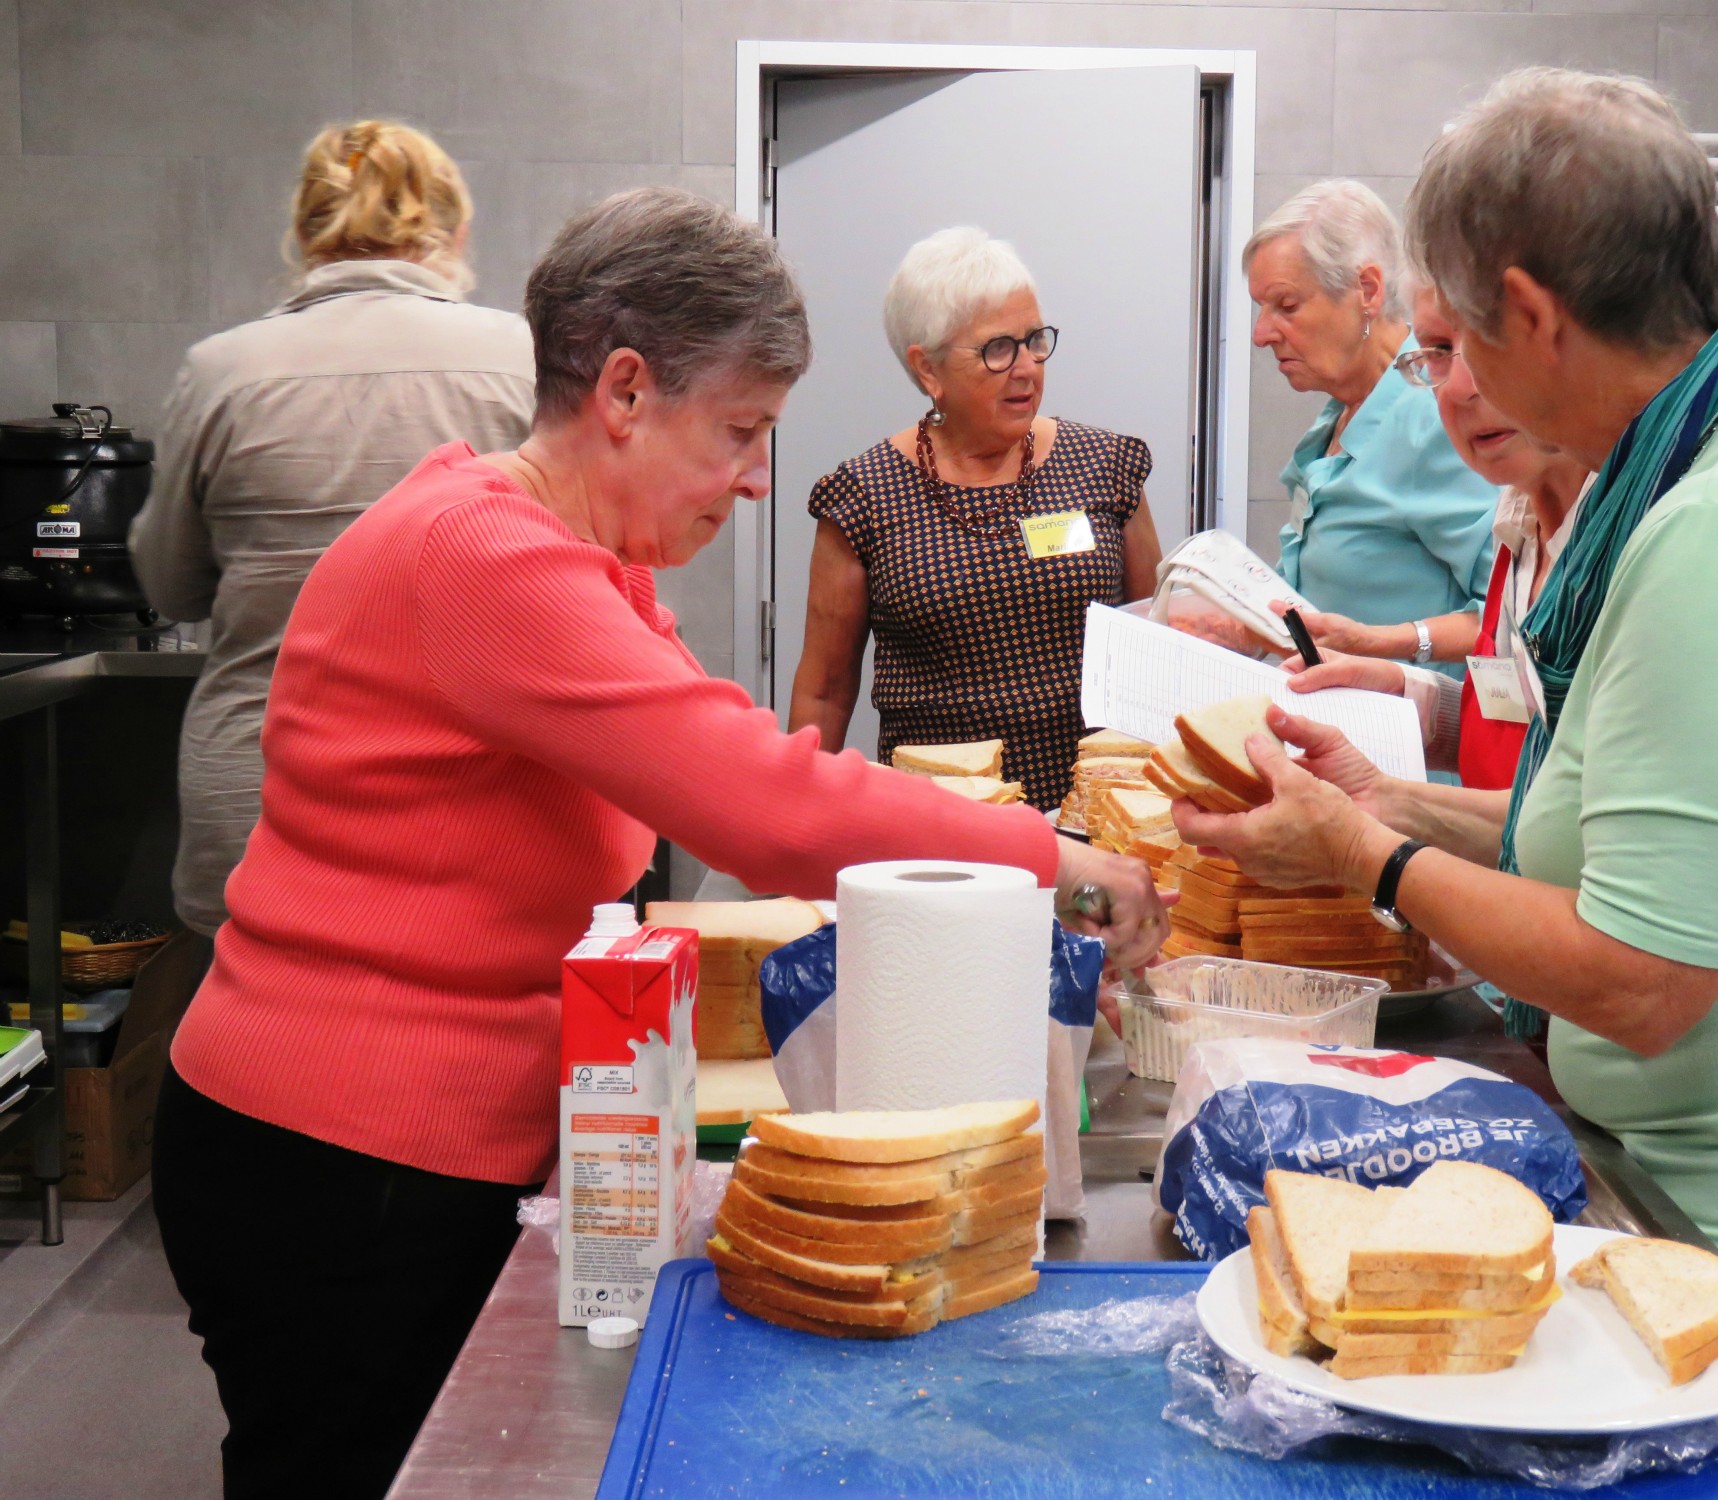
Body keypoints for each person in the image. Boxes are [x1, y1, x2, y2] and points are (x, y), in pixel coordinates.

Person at [150, 189, 1167, 1500]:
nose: (756, 479)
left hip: (411, 1151)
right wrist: (1052, 857)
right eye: (740, 431)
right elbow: (764, 805)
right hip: (341, 1162)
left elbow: (735, 755)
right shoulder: (488, 558)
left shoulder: (584, 561)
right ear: (624, 390)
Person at [1177, 69, 1718, 1499]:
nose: (1464, 385)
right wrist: (1387, 801)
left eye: (1463, 340)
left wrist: (1364, 865)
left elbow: (1639, 970)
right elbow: (1645, 838)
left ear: (1533, 313)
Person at [130, 120, 536, 948]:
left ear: (306, 234)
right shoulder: (523, 358)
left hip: (263, 792)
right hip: (467, 795)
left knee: (256, 1057)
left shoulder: (223, 369)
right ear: (456, 233)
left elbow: (169, 587)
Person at [788, 227, 1162, 810]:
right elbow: (826, 693)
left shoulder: (1104, 467)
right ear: (927, 369)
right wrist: (800, 820)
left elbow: (1158, 645)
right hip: (940, 831)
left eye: (1035, 340)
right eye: (997, 349)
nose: (1027, 367)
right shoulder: (863, 497)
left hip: (1094, 817)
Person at [1282, 281, 1592, 788]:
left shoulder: (1645, 535)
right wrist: (1397, 690)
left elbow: (1563, 829)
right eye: (1440, 353)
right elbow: (1521, 723)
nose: (1457, 386)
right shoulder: (1518, 514)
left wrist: (1369, 842)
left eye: (1490, 342)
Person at [1246, 181, 1497, 669]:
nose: (1261, 334)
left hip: (1409, 733)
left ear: (1367, 291)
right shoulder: (1338, 418)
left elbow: (1508, 612)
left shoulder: (1434, 415)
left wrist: (1387, 644)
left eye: (1286, 305)